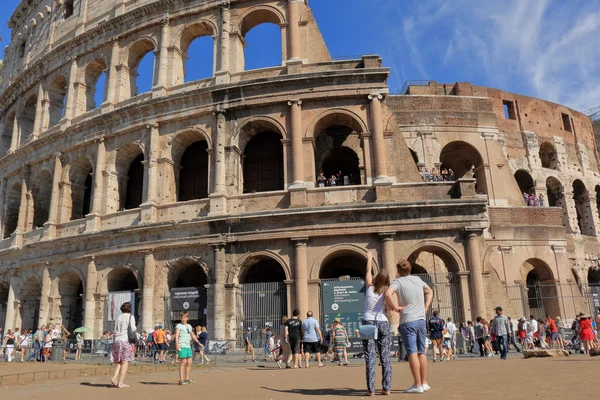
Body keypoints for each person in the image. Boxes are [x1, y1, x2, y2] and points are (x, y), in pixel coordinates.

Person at [385, 259, 433, 394]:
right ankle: (424, 383)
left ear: (398, 271)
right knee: (422, 351)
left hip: (408, 321)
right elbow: (429, 291)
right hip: (421, 320)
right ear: (410, 269)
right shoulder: (418, 280)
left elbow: (388, 293)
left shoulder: (398, 282)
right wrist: (426, 306)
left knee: (412, 352)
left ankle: (417, 384)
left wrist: (395, 307)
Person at [361, 250, 391, 396]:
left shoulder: (369, 287)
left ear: (376, 278)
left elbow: (367, 270)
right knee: (385, 356)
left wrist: (370, 258)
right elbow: (390, 312)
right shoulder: (387, 292)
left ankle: (371, 389)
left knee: (370, 355)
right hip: (383, 321)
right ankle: (386, 388)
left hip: (368, 321)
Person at [111, 302, 136, 388]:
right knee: (125, 362)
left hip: (117, 341)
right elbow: (133, 328)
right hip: (125, 340)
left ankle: (114, 378)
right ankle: (120, 382)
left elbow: (115, 329)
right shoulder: (130, 317)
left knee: (120, 362)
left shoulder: (118, 317)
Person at [175, 311, 201, 385]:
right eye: (182, 318)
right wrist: (177, 344)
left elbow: (193, 336)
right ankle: (181, 380)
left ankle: (187, 378)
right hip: (181, 345)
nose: (183, 319)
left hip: (188, 346)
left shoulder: (189, 326)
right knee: (183, 362)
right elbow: (176, 336)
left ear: (187, 318)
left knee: (189, 362)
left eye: (184, 318)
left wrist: (199, 343)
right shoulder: (178, 326)